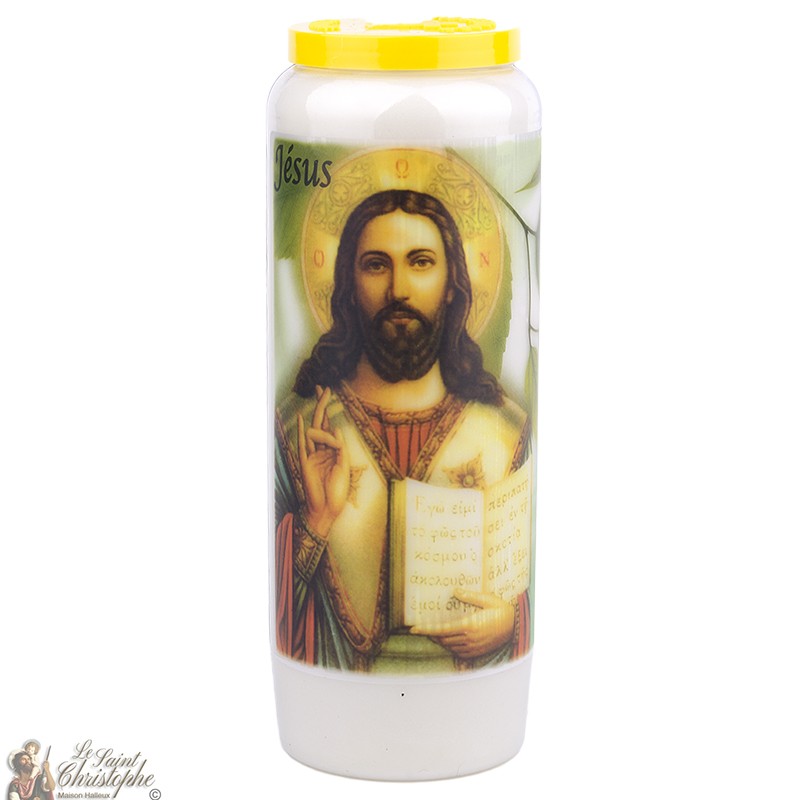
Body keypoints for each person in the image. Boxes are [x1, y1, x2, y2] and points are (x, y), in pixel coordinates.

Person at [275, 189, 531, 671]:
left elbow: (521, 578)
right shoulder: (298, 429)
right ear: (348, 285)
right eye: (376, 265)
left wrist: (509, 625)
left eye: (420, 262)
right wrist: (316, 521)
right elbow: (273, 606)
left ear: (452, 283)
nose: (398, 290)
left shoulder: (502, 431)